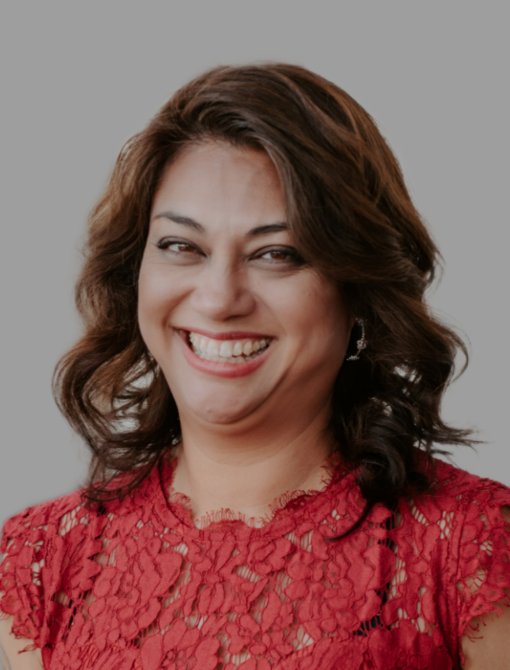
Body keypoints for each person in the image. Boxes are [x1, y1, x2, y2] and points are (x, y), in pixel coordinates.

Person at [0, 63, 509, 670]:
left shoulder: (473, 548)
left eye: (277, 254)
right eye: (181, 246)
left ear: (358, 290)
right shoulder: (39, 561)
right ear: (134, 274)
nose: (219, 299)